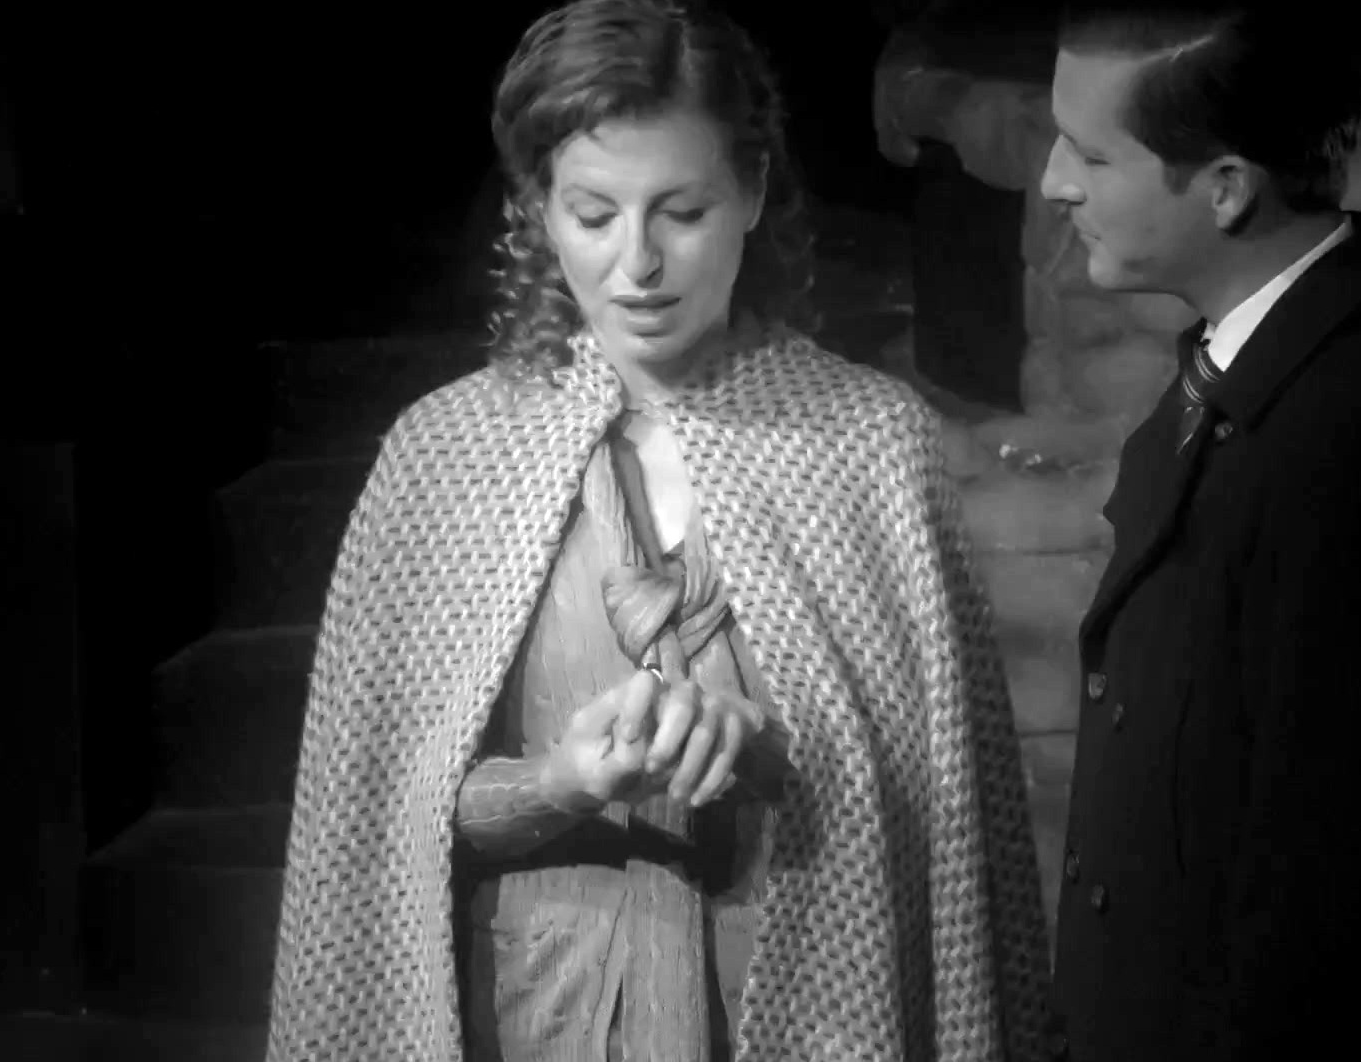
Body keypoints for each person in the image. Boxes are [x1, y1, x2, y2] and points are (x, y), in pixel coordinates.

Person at [263, 2, 1051, 1060]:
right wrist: (561, 783)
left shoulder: (866, 444)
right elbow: (376, 823)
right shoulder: (448, 457)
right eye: (594, 215)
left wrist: (769, 752)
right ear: (538, 209)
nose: (637, 263)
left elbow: (946, 823)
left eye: (681, 211)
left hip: (800, 1015)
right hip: (538, 1017)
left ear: (753, 193)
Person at [1037, 3, 1361, 1059]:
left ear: (1227, 188)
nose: (1055, 182)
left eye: (1092, 155)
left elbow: (1330, 907)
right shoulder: (1240, 369)